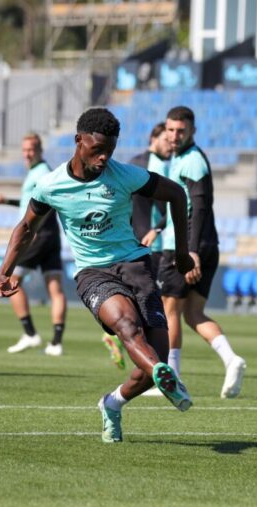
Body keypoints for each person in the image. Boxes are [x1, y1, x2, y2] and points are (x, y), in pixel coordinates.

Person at [0, 108, 195, 443]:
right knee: (128, 327)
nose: (103, 158)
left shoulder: (123, 175)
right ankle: (164, 373)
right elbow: (26, 227)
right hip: (92, 273)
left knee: (149, 366)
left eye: (110, 151)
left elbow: (176, 193)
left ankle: (113, 403)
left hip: (135, 264)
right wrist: (5, 271)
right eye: (97, 150)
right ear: (78, 141)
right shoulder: (52, 185)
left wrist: (181, 252)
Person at [158, 106, 247, 399]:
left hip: (185, 247)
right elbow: (182, 207)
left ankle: (171, 381)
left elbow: (199, 207)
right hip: (206, 244)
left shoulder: (192, 161)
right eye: (170, 130)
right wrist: (159, 226)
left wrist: (190, 252)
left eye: (180, 130)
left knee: (169, 311)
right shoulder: (182, 159)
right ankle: (231, 358)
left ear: (192, 131)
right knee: (193, 313)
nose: (174, 135)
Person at [101, 122, 171, 370]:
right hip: (152, 244)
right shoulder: (157, 165)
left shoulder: (131, 163)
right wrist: (159, 228)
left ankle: (112, 334)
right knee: (154, 310)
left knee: (130, 301)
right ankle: (159, 368)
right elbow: (169, 204)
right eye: (166, 138)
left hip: (129, 241)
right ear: (154, 138)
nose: (171, 143)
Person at [0, 132, 67, 356]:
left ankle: (30, 333)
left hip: (38, 234)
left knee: (11, 280)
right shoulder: (38, 172)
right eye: (25, 149)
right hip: (51, 234)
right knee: (54, 288)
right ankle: (55, 343)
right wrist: (8, 201)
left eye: (31, 149)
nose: (27, 153)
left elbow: (50, 201)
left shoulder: (42, 171)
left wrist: (33, 233)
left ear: (40, 150)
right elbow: (32, 203)